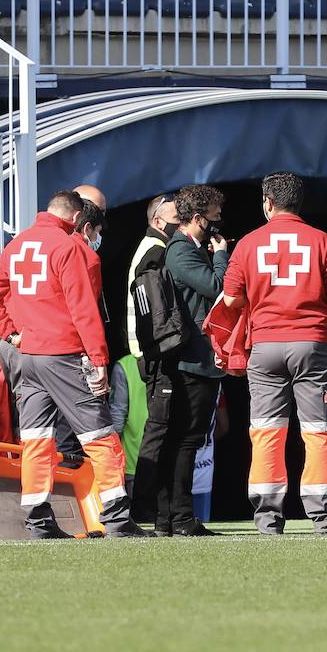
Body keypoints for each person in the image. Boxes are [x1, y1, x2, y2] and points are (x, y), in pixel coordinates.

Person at [0, 190, 143, 539]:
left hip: (28, 356)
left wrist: (10, 334)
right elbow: (84, 310)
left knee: (36, 438)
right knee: (99, 434)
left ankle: (38, 519)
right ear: (76, 219)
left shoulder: (18, 243)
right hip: (63, 354)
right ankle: (117, 519)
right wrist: (99, 359)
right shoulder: (69, 248)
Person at [221, 172, 327, 534]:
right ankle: (325, 519)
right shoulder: (321, 240)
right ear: (299, 203)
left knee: (266, 430)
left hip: (264, 348)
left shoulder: (248, 244)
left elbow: (232, 299)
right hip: (313, 345)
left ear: (267, 202)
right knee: (320, 430)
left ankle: (268, 520)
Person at [160, 183, 229, 537]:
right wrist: (221, 255)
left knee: (187, 439)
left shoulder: (189, 247)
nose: (219, 224)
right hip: (191, 360)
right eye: (215, 217)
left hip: (200, 358)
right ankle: (180, 517)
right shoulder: (181, 251)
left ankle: (174, 517)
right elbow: (216, 286)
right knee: (186, 439)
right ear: (198, 218)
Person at [127, 193, 179, 512]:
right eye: (177, 216)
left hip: (148, 351)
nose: (182, 222)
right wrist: (164, 344)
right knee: (159, 429)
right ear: (158, 221)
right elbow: (150, 307)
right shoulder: (155, 251)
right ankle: (142, 507)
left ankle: (162, 510)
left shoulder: (152, 248)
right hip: (154, 354)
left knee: (163, 429)